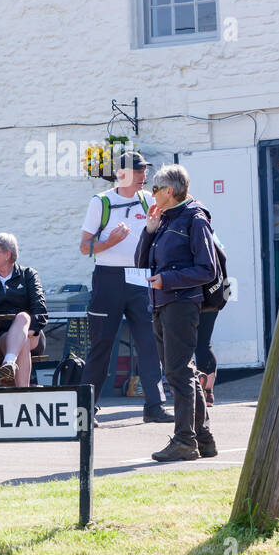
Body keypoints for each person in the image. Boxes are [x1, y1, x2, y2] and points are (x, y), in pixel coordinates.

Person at [79, 151, 171, 422]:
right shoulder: (102, 202)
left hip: (139, 276)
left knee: (149, 342)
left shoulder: (146, 200)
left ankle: (154, 407)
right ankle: (85, 410)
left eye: (144, 171)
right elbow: (85, 247)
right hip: (108, 277)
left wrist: (153, 227)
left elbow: (150, 236)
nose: (144, 176)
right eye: (138, 171)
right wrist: (110, 241)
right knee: (102, 344)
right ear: (123, 174)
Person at [136, 164, 218, 462]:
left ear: (169, 192)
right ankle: (203, 438)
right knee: (182, 371)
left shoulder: (194, 219)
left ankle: (185, 440)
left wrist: (168, 280)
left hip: (182, 303)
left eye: (155, 189)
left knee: (178, 372)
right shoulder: (165, 218)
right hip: (161, 303)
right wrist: (149, 230)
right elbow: (141, 261)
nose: (151, 193)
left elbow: (207, 269)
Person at [0, 233, 48, 387]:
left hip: (32, 334)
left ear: (7, 255)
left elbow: (40, 310)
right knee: (22, 342)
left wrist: (27, 331)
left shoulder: (28, 275)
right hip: (1, 336)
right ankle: (20, 389)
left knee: (23, 318)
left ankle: (9, 363)